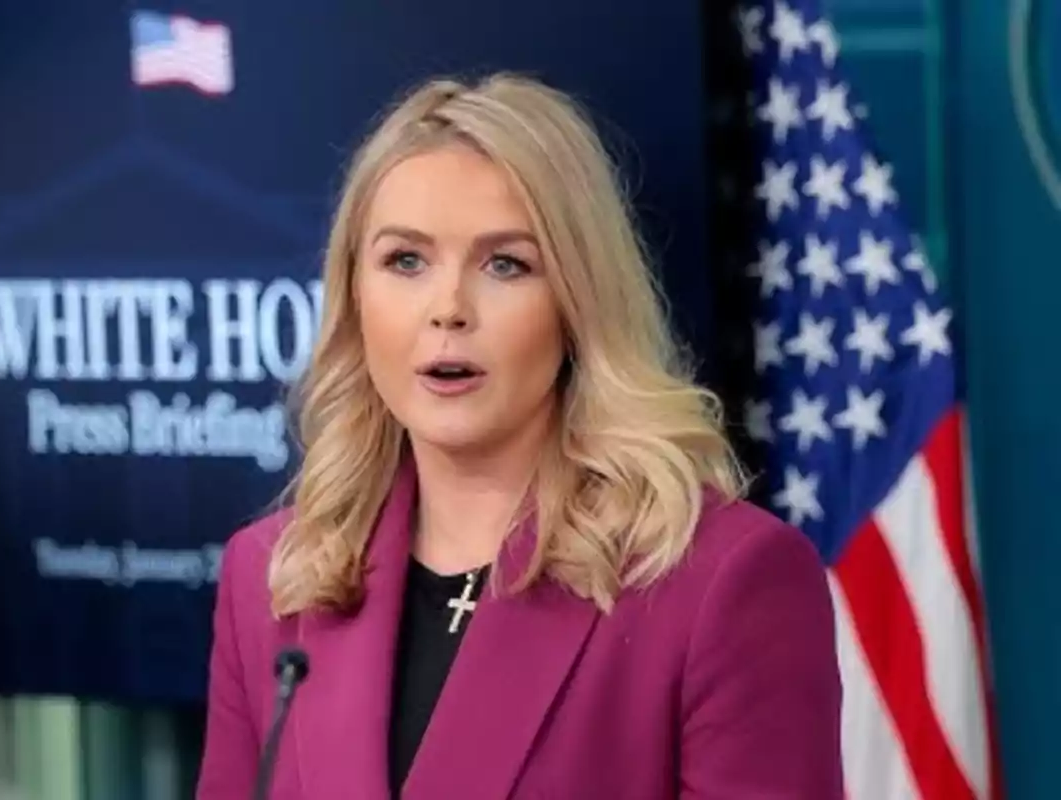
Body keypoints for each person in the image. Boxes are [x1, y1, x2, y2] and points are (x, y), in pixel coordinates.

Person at [195, 72, 843, 799]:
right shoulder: (270, 579)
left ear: (576, 303)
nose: (448, 308)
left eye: (506, 264)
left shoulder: (722, 582)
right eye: (405, 260)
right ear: (353, 296)